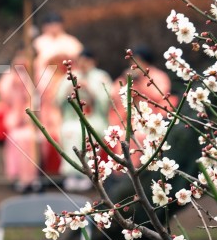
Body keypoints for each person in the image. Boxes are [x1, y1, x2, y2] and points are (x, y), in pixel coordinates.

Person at [57, 48, 112, 191]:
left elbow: (106, 101)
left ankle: (88, 174)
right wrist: (69, 91)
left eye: (87, 61)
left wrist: (90, 91)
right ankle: (72, 174)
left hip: (94, 118)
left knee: (87, 133)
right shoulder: (69, 76)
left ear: (93, 62)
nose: (84, 64)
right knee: (70, 131)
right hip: (73, 118)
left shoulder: (101, 77)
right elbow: (58, 100)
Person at [108, 45, 172, 165]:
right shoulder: (127, 76)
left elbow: (159, 95)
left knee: (138, 136)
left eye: (138, 61)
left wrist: (140, 82)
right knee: (123, 137)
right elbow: (113, 94)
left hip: (152, 117)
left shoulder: (158, 76)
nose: (135, 64)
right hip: (129, 118)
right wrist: (127, 81)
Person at [0, 50, 41, 193]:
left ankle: (34, 177)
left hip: (35, 119)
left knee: (31, 138)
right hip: (16, 118)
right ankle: (21, 178)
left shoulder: (37, 75)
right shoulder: (8, 77)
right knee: (18, 137)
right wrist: (15, 86)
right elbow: (5, 96)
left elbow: (41, 98)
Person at [33, 11, 83, 81]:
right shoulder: (39, 42)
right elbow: (34, 61)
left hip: (68, 75)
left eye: (56, 24)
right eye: (51, 25)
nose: (54, 27)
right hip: (46, 76)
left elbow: (80, 57)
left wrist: (63, 57)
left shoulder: (71, 40)